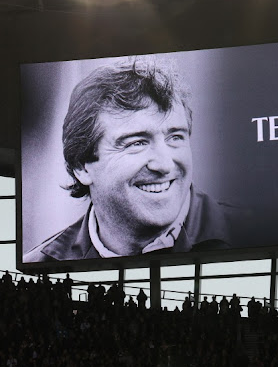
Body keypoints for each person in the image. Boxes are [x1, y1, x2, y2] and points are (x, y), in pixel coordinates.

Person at [24, 58, 233, 261]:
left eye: (175, 137)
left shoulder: (253, 230)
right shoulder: (41, 265)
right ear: (82, 167)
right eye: (137, 143)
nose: (164, 164)